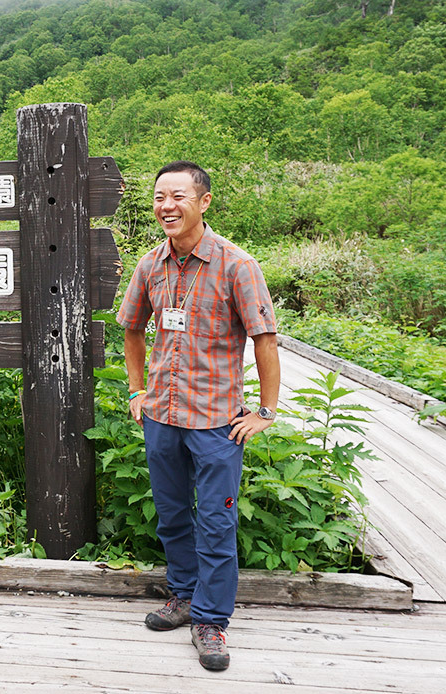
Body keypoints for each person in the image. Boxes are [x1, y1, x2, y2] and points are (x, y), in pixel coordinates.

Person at [116, 160, 280, 672]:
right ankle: (184, 596)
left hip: (215, 421)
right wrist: (137, 390)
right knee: (171, 515)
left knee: (215, 521)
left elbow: (265, 339)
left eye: (179, 196)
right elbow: (132, 329)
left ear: (203, 201)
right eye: (161, 196)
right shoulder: (150, 265)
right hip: (162, 415)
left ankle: (211, 620)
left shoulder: (236, 265)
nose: (168, 205)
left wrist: (265, 412)